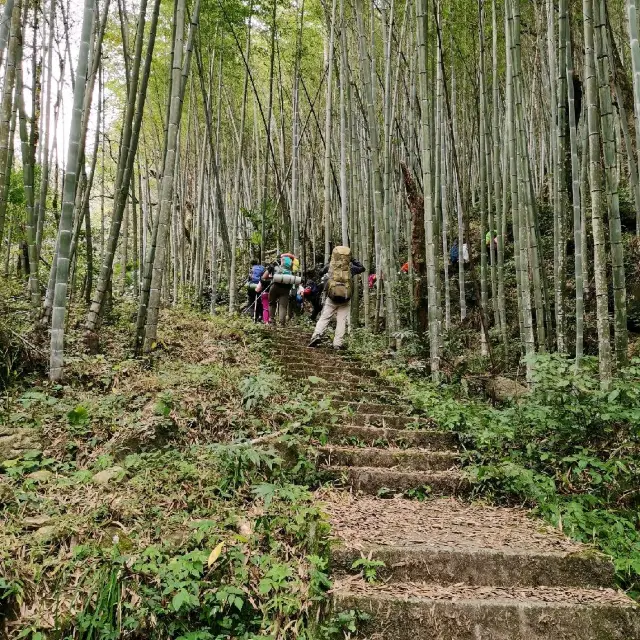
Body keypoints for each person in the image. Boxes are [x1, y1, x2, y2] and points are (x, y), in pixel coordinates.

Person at [308, 246, 365, 350]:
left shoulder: (330, 266)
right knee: (341, 320)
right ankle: (337, 344)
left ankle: (316, 335)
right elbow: (362, 268)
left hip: (332, 297)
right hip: (346, 298)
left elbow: (320, 272)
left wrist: (331, 263)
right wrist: (352, 260)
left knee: (325, 317)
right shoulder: (350, 268)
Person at [266, 252, 300, 326]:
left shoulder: (274, 265)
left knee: (272, 303)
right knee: (283, 306)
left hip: (275, 286)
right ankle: (282, 323)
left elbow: (264, 276)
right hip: (286, 288)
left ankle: (271, 320)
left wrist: (270, 278)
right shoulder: (291, 268)